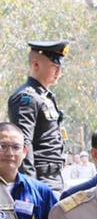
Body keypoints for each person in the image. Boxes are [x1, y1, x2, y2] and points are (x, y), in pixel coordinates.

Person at [7, 41, 68, 192]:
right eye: (54, 67)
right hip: (40, 180)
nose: (59, 72)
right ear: (36, 65)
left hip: (54, 178)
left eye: (60, 68)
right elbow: (23, 143)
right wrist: (30, 187)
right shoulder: (26, 98)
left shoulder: (45, 97)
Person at [61, 130, 97, 199]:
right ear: (95, 155)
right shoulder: (71, 196)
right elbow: (74, 178)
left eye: (85, 156)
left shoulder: (91, 165)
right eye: (82, 156)